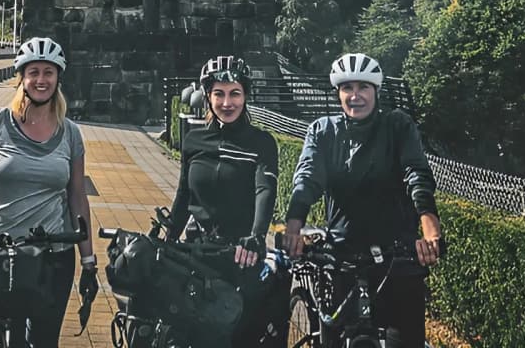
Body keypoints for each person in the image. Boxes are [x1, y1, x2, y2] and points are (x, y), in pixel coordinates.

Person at [282, 53, 443, 348]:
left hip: (396, 254)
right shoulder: (323, 131)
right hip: (343, 252)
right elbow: (307, 179)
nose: (355, 96)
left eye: (363, 88)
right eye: (347, 88)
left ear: (376, 91)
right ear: (338, 93)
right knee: (334, 337)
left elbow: (416, 174)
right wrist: (294, 227)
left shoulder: (397, 126)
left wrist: (430, 230)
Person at [0, 36, 97, 348]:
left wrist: (88, 259)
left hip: (53, 256)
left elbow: (77, 196)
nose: (41, 80)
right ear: (21, 76)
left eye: (48, 72)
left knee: (44, 341)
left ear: (58, 77)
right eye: (33, 72)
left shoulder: (70, 133)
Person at [166, 55, 287, 348]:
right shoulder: (194, 140)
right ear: (208, 96)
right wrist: (168, 236)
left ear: (246, 95)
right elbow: (184, 194)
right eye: (219, 94)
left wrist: (257, 237)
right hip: (197, 251)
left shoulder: (261, 142)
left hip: (240, 253)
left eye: (235, 93)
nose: (227, 102)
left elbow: (265, 189)